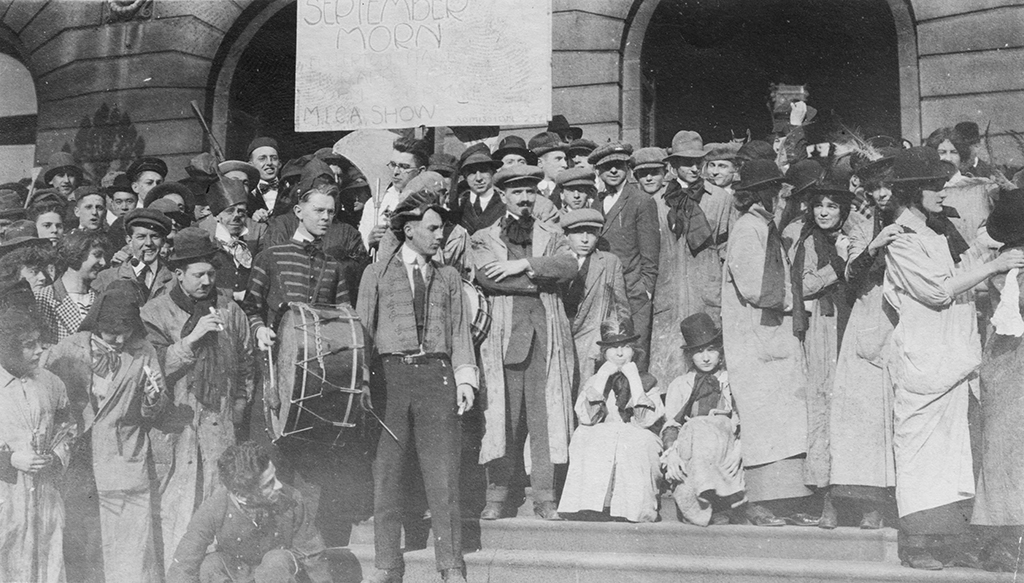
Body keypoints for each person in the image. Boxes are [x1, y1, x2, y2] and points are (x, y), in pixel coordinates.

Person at [882, 147, 1024, 569]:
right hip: (926, 360)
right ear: (912, 193)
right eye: (935, 188)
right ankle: (917, 545)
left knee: (948, 454)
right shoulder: (901, 240)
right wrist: (996, 262)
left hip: (952, 360)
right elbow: (938, 290)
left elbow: (966, 265)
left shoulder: (936, 232)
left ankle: (940, 541)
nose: (944, 194)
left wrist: (991, 252)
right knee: (920, 450)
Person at [357, 191, 477, 583]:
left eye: (441, 228)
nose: (440, 235)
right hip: (390, 379)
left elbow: (461, 331)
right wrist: (363, 384)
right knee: (387, 475)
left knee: (443, 475)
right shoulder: (376, 273)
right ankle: (387, 564)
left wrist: (464, 378)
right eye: (432, 228)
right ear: (408, 231)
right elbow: (364, 331)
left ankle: (451, 565)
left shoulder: (449, 277)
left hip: (437, 377)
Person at [142, 227, 255, 565]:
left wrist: (237, 409)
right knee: (176, 516)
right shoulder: (155, 312)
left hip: (220, 432)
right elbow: (150, 371)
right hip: (176, 432)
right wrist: (191, 341)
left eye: (211, 273)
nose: (206, 281)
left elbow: (246, 365)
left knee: (219, 515)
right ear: (178, 274)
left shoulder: (229, 310)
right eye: (198, 274)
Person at [470, 164, 578, 520]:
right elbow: (488, 278)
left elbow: (569, 266)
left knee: (545, 416)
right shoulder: (484, 237)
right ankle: (497, 495)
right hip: (504, 338)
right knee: (501, 414)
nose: (525, 198)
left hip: (547, 336)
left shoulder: (553, 231)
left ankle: (546, 496)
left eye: (531, 191)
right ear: (502, 196)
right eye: (517, 192)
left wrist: (523, 265)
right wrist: (542, 278)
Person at [46, 281, 169, 583]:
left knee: (130, 547)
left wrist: (153, 400)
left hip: (124, 457)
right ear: (96, 324)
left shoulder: (144, 351)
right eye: (111, 332)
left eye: (125, 331)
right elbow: (46, 393)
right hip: (80, 461)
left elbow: (152, 407)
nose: (118, 339)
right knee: (84, 546)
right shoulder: (69, 348)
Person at [722, 159, 815, 526]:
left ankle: (786, 501)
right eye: (774, 189)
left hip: (771, 336)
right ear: (760, 193)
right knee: (764, 421)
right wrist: (799, 299)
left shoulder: (764, 226)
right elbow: (756, 287)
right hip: (756, 339)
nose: (779, 195)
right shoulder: (748, 229)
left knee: (784, 421)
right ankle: (759, 502)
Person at [828, 165, 901, 531]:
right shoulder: (858, 222)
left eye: (889, 185)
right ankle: (869, 500)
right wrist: (874, 245)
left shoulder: (918, 216)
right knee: (866, 413)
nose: (883, 193)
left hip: (912, 314)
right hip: (872, 313)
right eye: (876, 187)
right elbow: (851, 276)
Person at [783, 181, 855, 527]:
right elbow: (805, 284)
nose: (824, 212)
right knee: (824, 404)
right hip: (824, 327)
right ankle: (826, 497)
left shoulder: (855, 235)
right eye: (818, 206)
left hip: (854, 324)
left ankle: (860, 497)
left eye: (832, 206)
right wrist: (838, 264)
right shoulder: (810, 241)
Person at [165, 441, 332, 583]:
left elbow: (313, 553)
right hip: (239, 572)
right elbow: (184, 564)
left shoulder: (292, 498)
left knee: (275, 561)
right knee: (211, 565)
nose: (279, 486)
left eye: (275, 477)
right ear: (240, 494)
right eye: (268, 484)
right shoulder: (214, 507)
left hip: (280, 574)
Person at [650, 131, 735, 386]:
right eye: (687, 162)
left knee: (708, 358)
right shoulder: (657, 202)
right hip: (670, 293)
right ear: (673, 165)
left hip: (706, 292)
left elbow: (729, 249)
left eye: (700, 162)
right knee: (669, 362)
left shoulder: (720, 199)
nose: (695, 168)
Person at [557, 317, 663, 523]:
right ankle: (591, 506)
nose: (620, 353)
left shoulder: (647, 381)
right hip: (603, 431)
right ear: (604, 353)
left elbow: (645, 422)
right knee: (587, 435)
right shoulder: (595, 381)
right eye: (613, 348)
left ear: (634, 350)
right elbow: (587, 419)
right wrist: (602, 378)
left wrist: (634, 381)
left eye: (625, 347)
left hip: (636, 432)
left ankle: (631, 509)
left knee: (634, 439)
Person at [0, 306, 73, 583]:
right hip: (7, 495)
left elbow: (68, 430)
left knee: (47, 564)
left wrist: (56, 456)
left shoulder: (52, 384)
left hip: (45, 496)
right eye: (28, 346)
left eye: (39, 343)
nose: (39, 351)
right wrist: (8, 460)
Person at [973, 189, 1024, 572]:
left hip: (1009, 362)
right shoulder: (1010, 267)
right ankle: (1000, 539)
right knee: (1005, 447)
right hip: (1010, 363)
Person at [661, 312, 747, 527]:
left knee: (706, 426)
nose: (706, 358)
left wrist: (740, 449)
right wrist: (671, 453)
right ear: (690, 356)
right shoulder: (681, 384)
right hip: (692, 443)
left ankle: (718, 502)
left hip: (726, 442)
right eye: (699, 352)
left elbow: (744, 421)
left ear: (721, 351)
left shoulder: (731, 381)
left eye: (711, 350)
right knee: (696, 427)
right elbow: (671, 424)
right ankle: (698, 504)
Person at [588, 142, 660, 371]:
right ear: (598, 171)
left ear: (627, 168)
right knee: (607, 351)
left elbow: (650, 252)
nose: (613, 171)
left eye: (618, 165)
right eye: (607, 167)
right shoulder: (596, 201)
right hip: (603, 287)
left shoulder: (640, 201)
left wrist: (645, 288)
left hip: (632, 290)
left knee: (634, 352)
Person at [560, 208, 631, 379]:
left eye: (591, 234)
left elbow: (621, 307)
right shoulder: (555, 260)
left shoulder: (609, 262)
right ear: (566, 235)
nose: (585, 240)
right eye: (578, 233)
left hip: (591, 340)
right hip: (560, 334)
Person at [197, 177, 267, 301]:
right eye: (229, 211)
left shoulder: (256, 233)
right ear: (217, 216)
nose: (236, 216)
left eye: (241, 212)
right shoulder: (205, 238)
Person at [36, 230, 109, 344]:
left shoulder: (101, 299)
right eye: (97, 255)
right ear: (76, 254)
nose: (103, 262)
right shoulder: (44, 299)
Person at [359, 136, 430, 251]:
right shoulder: (376, 203)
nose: (396, 172)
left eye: (404, 167)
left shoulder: (429, 202)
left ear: (421, 171)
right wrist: (369, 240)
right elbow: (358, 248)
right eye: (393, 165)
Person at [93, 208, 175, 301]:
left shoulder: (174, 281)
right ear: (129, 240)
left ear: (163, 241)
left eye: (154, 236)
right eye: (141, 237)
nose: (148, 243)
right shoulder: (106, 278)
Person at [456, 148, 504, 235]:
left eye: (483, 171)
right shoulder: (458, 206)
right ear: (465, 176)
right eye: (472, 172)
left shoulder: (504, 203)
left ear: (493, 173)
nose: (478, 178)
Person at [245, 137, 285, 222]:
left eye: (274, 158)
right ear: (251, 165)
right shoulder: (246, 194)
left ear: (280, 164)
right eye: (262, 158)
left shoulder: (291, 190)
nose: (269, 163)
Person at [529, 131, 568, 201]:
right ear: (540, 163)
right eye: (558, 159)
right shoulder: (527, 191)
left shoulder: (569, 192)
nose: (565, 165)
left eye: (565, 159)